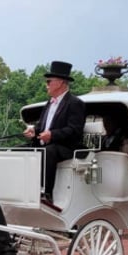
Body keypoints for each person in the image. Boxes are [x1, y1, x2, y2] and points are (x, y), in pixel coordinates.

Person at [22, 60, 85, 206]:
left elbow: (74, 129)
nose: (47, 84)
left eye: (49, 81)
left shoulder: (75, 103)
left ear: (61, 82)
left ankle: (46, 193)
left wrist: (52, 135)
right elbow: (43, 126)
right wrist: (34, 130)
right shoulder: (49, 103)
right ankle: (22, 188)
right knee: (19, 150)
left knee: (48, 151)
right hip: (48, 146)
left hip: (66, 147)